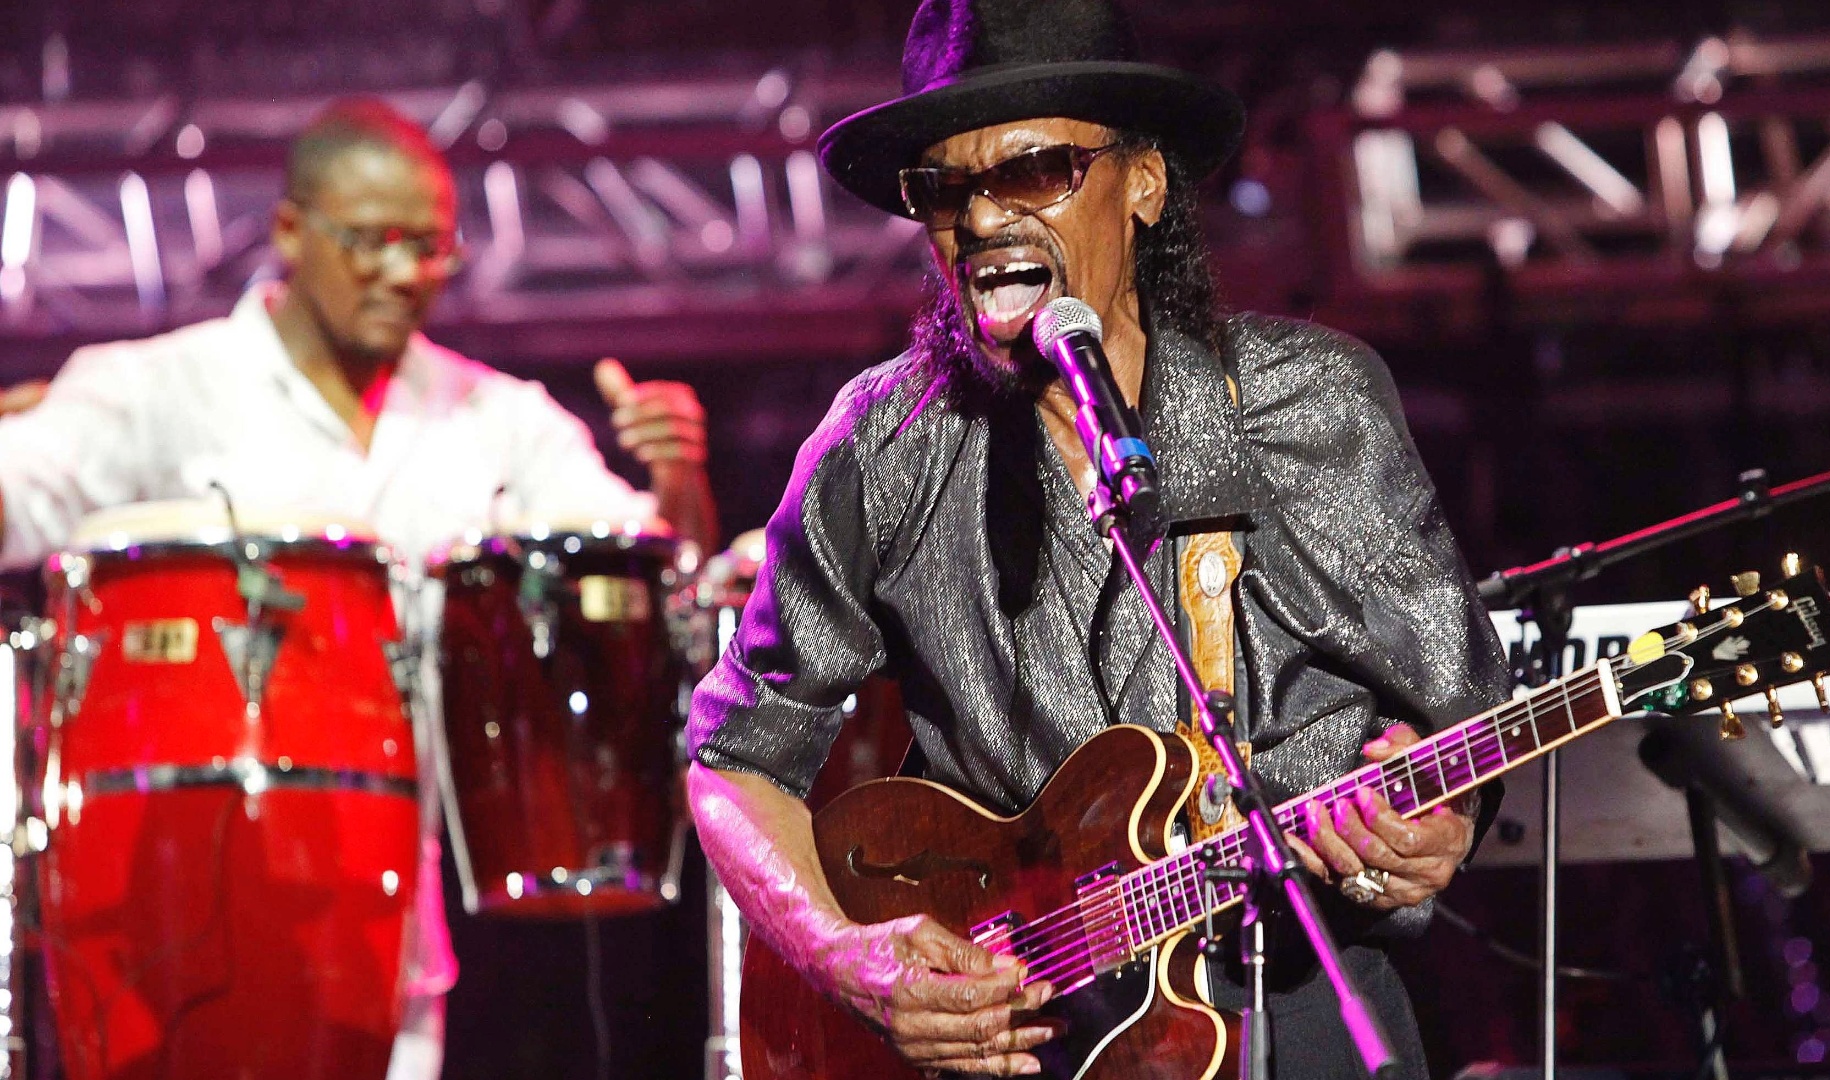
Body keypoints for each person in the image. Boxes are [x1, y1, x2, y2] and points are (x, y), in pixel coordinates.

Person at [685, 1, 1511, 1077]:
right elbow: (733, 763)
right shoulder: (881, 446)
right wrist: (849, 960)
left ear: (1146, 186)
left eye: (1033, 171)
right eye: (945, 189)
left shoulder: (1309, 405)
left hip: (1293, 1004)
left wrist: (1434, 824)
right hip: (1022, 1038)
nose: (982, 220)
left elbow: (1452, 729)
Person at [0, 98, 719, 1078]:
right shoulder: (160, 388)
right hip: (159, 901)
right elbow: (21, 491)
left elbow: (654, 585)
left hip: (391, 915)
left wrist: (677, 481)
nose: (403, 273)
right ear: (291, 230)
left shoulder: (499, 419)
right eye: (371, 242)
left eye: (430, 248)